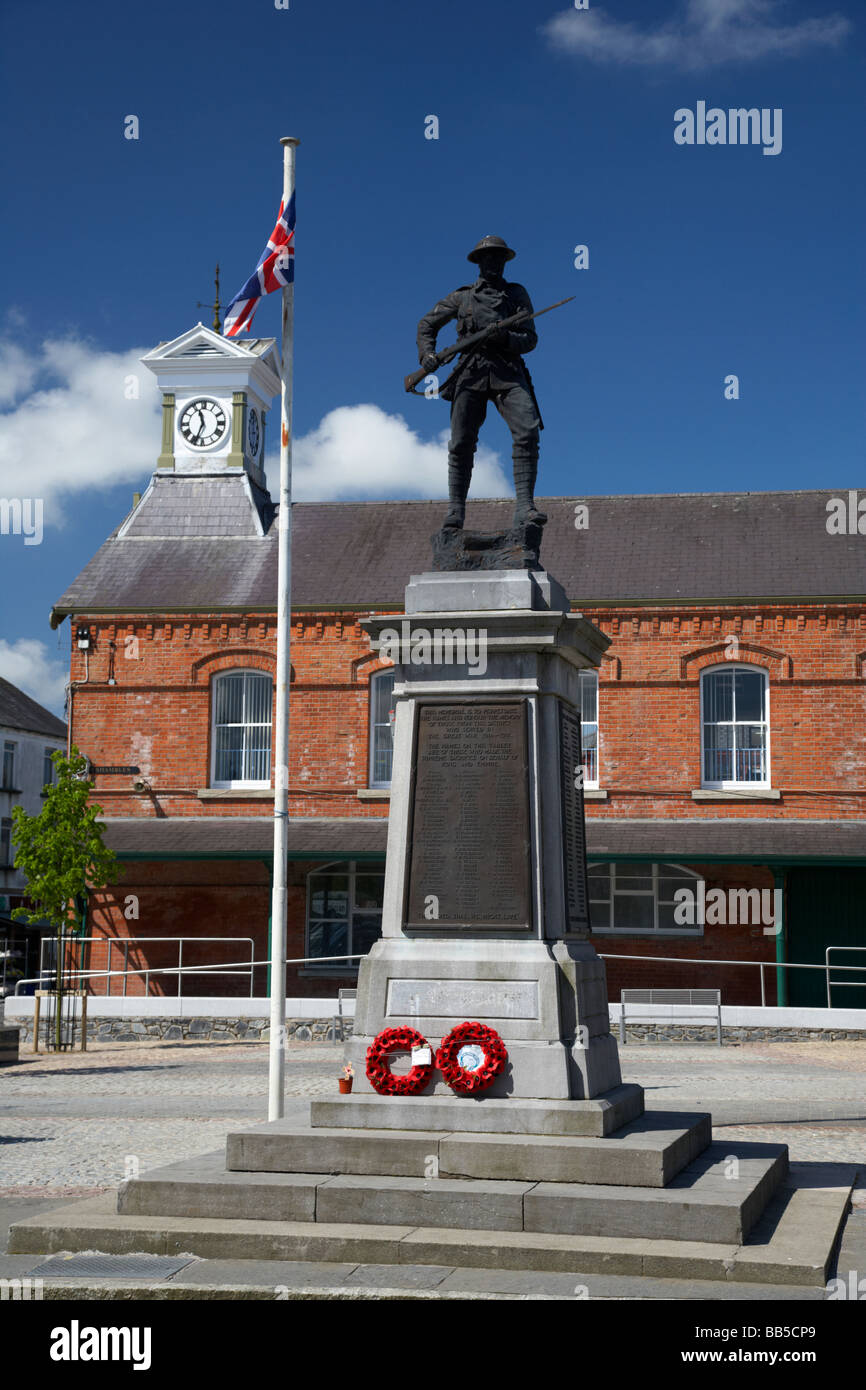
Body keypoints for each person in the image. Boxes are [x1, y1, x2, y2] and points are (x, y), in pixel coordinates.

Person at [416, 235, 547, 531]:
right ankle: (455, 512)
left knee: (527, 430)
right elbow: (427, 324)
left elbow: (530, 339)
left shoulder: (516, 295)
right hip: (470, 372)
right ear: (478, 263)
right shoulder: (461, 298)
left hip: (507, 372)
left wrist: (504, 337)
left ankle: (525, 507)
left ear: (504, 262)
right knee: (461, 442)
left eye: (498, 258)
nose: (493, 263)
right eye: (487, 258)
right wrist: (427, 355)